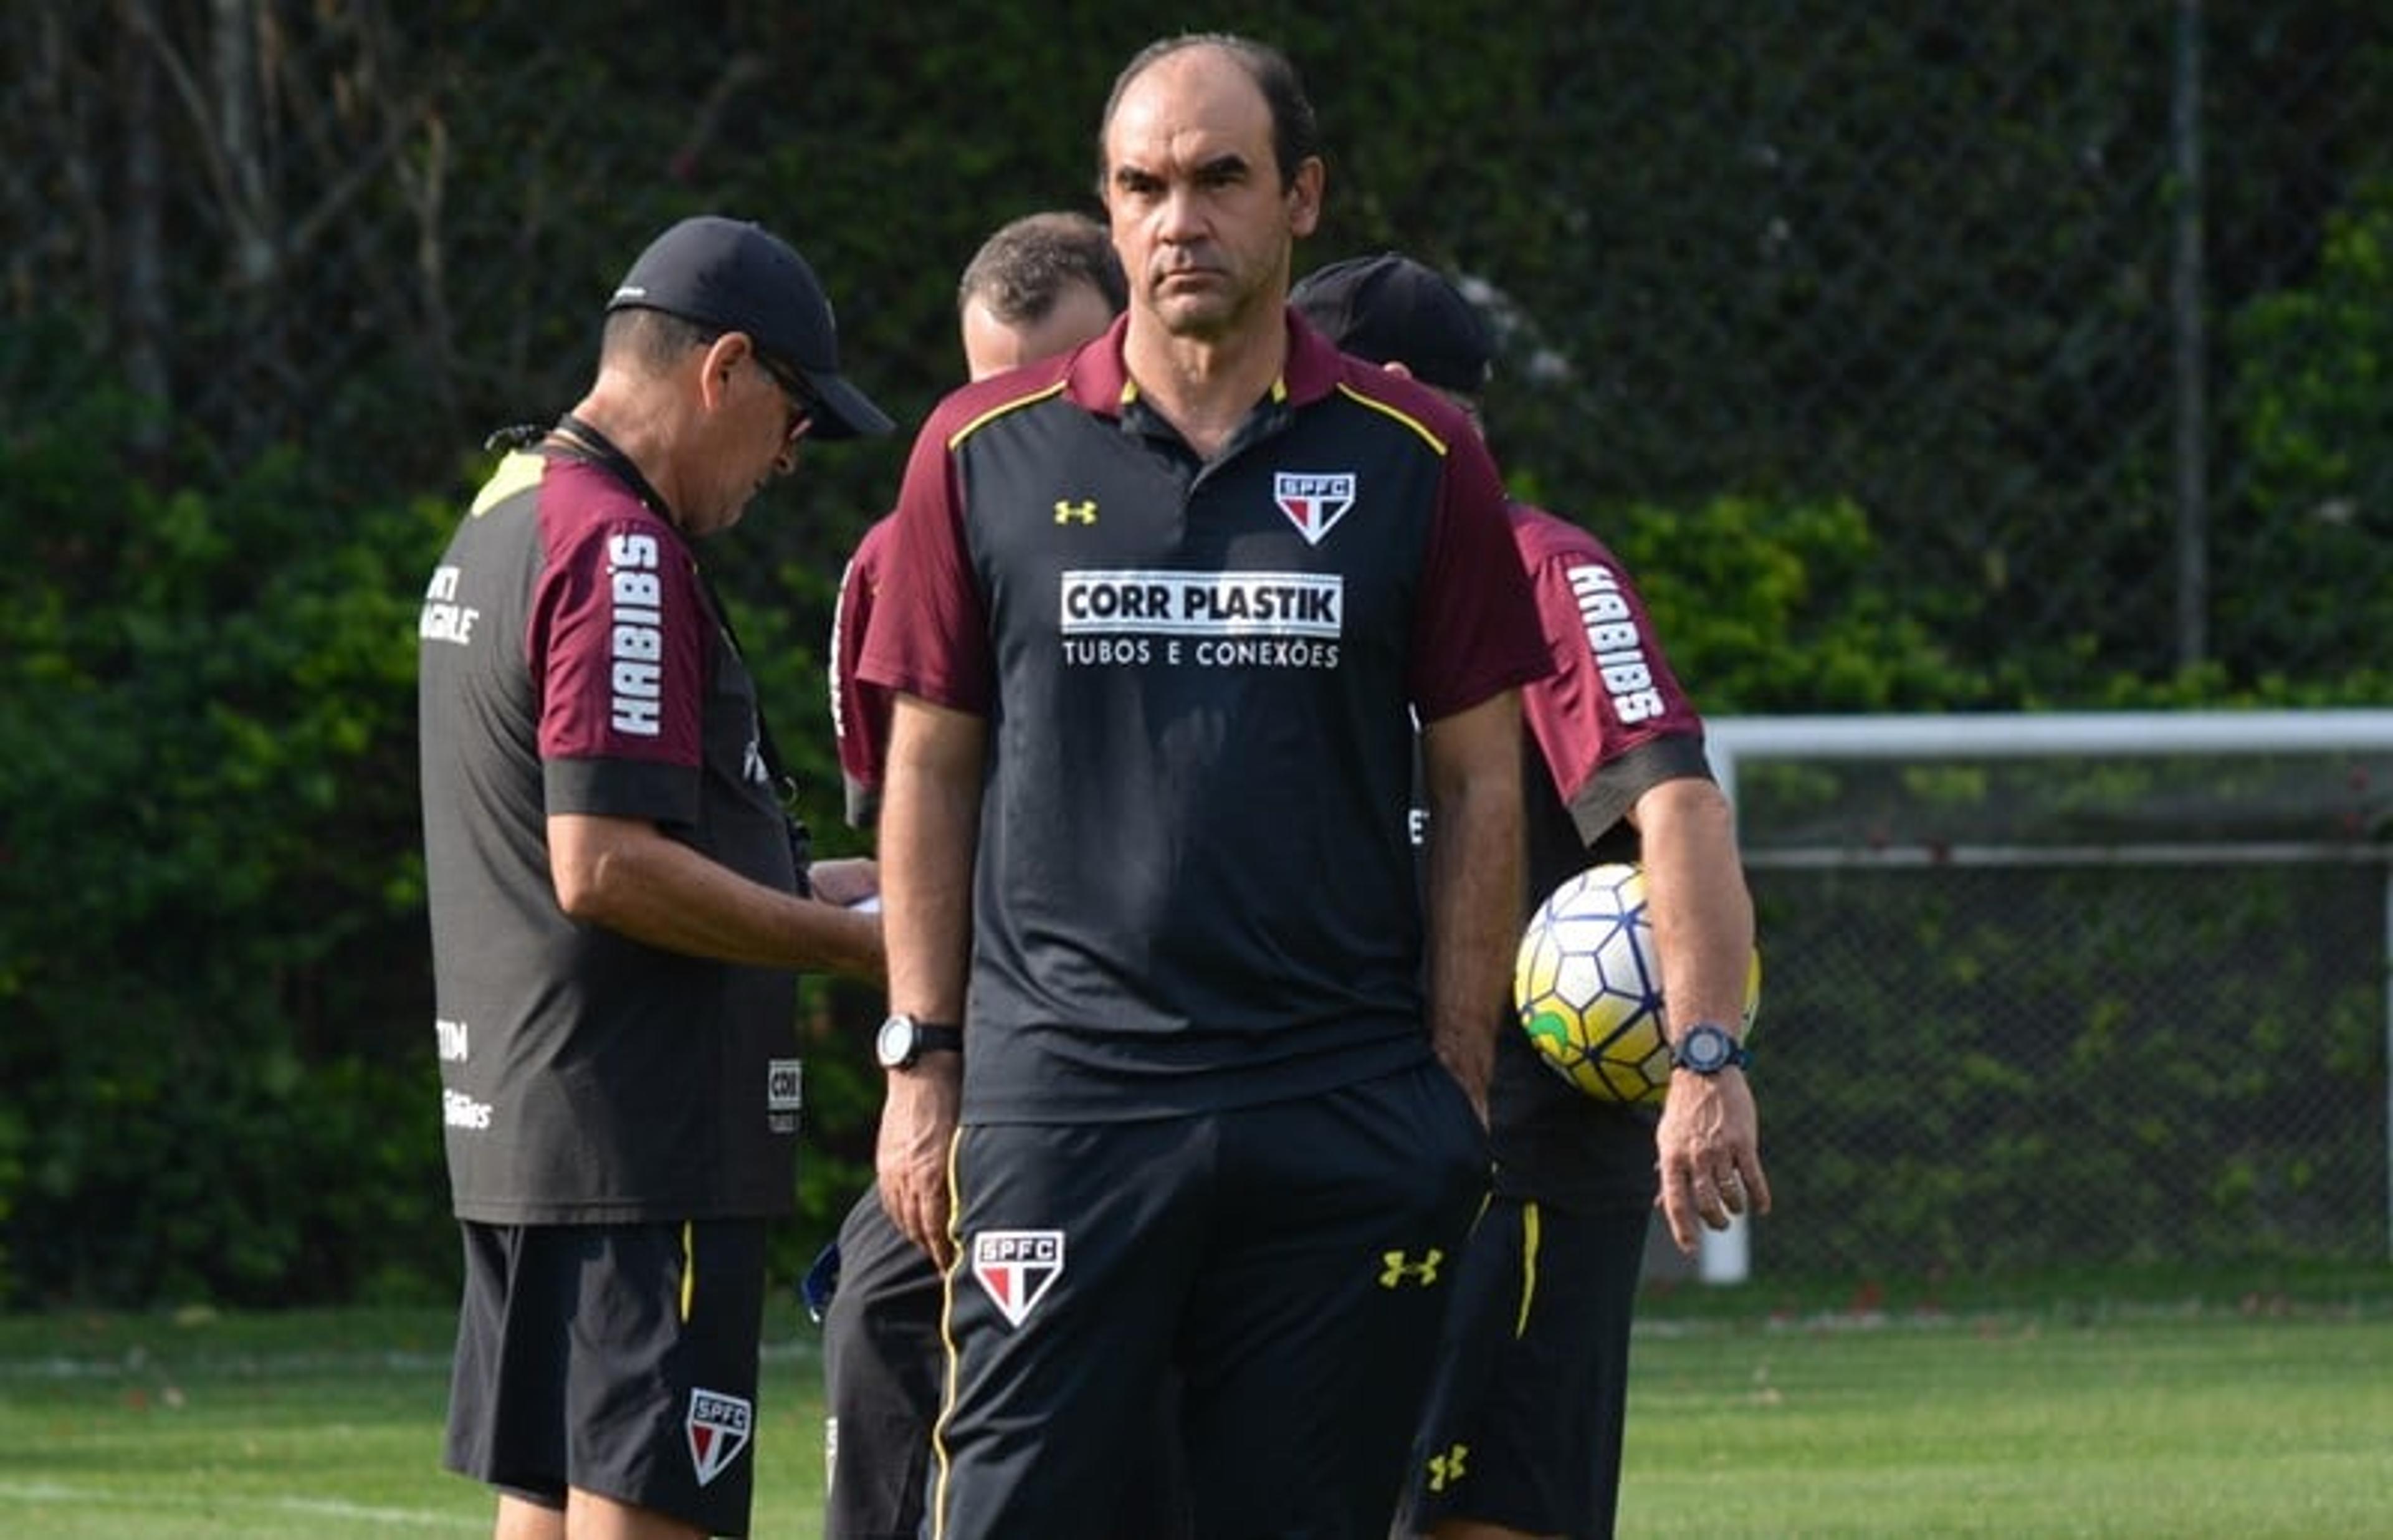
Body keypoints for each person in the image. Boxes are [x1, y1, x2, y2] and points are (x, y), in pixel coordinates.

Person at [859, 33, 1552, 1540]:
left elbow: (1483, 775)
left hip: (1336, 1103)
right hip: (1067, 1109)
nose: (1181, 218)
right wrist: (923, 1060)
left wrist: (1454, 1074)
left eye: (1220, 178)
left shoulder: (1419, 454)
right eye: (1144, 185)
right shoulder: (975, 452)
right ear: (1107, 216)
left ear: (1299, 197)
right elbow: (930, 769)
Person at [418, 213, 891, 1540]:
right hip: (647, 1147)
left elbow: (616, 833)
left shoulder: (508, 506)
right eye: (795, 416)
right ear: (724, 370)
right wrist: (856, 947)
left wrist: (868, 885)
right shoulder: (622, 549)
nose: (792, 458)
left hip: (537, 1136)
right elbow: (608, 865)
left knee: (546, 1509)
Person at [1290, 252, 1768, 1540]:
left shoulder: (1542, 568)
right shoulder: (1351, 580)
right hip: (1350, 1148)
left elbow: (1680, 808)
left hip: (1525, 1157)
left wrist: (1705, 1056)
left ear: (1393, 396)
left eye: (1313, 394)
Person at [816, 209, 1163, 1540]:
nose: (1019, 420)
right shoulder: (900, 563)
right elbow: (922, 865)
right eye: (988, 389)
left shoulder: (1231, 520)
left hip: (1218, 1051)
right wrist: (928, 1070)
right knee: (877, 1316)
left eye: (1049, 378)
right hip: (1013, 1067)